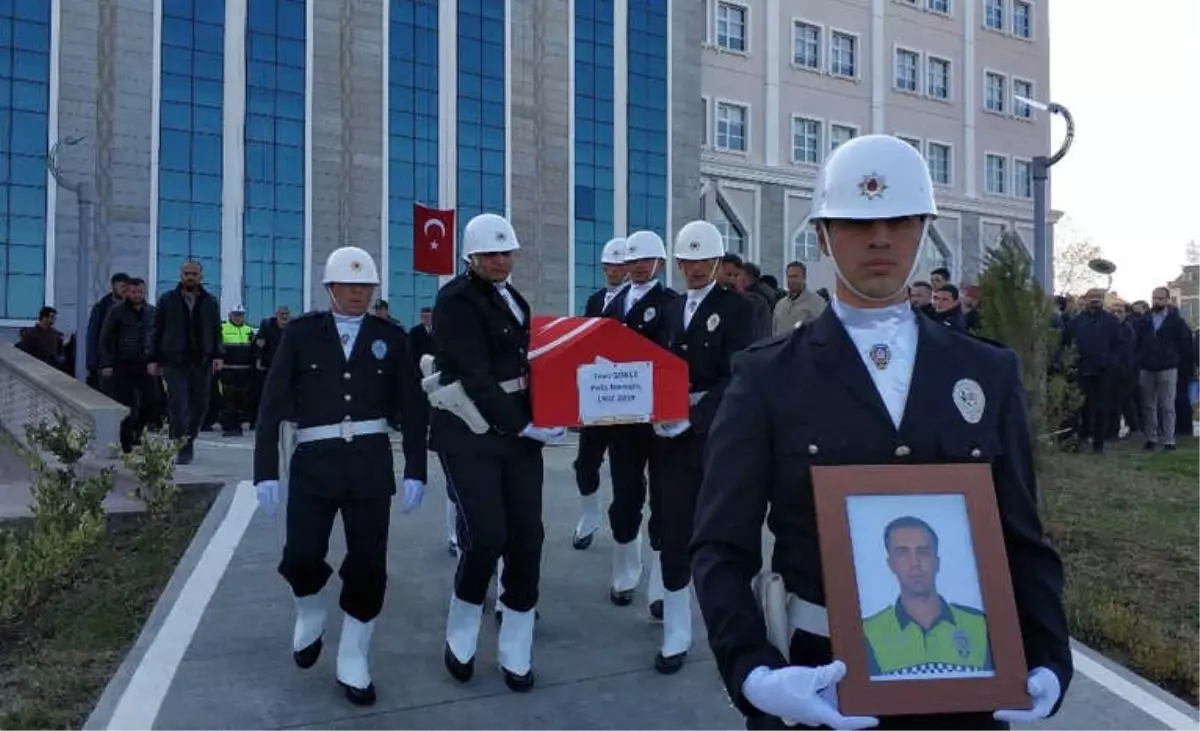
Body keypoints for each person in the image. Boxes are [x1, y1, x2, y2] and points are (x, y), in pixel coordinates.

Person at [690, 134, 1072, 731]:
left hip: (968, 678)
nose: (879, 238)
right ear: (820, 235)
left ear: (924, 230)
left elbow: (1021, 533)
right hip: (819, 679)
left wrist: (1049, 656)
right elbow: (720, 546)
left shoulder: (984, 371)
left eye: (899, 220)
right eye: (854, 222)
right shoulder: (766, 377)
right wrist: (755, 671)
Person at [253, 246, 429, 707]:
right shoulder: (302, 334)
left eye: (365, 286)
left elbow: (411, 406)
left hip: (370, 464)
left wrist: (416, 468)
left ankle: (354, 655)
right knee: (301, 556)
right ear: (330, 288)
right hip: (313, 462)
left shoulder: (391, 336)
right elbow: (271, 403)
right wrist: (265, 472)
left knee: (369, 564)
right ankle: (310, 609)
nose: (357, 294)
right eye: (349, 286)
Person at [428, 213, 565, 693]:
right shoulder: (455, 301)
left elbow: (531, 367)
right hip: (471, 433)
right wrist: (525, 424)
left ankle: (516, 650)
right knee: (485, 537)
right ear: (471, 257)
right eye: (491, 253)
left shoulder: (515, 299)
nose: (501, 260)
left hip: (517, 434)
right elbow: (475, 376)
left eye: (507, 252)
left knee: (528, 539)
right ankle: (462, 633)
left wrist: (554, 410)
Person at [650, 220, 752, 673]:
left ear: (717, 262)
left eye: (702, 261)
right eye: (687, 261)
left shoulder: (736, 309)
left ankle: (731, 625)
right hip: (669, 437)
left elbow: (737, 374)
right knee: (672, 528)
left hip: (715, 436)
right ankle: (676, 630)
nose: (694, 268)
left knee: (719, 533)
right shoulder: (671, 310)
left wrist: (694, 417)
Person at [600, 231, 679, 612]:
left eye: (646, 261)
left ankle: (661, 585)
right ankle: (625, 572)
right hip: (621, 420)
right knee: (626, 496)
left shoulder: (671, 304)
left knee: (664, 501)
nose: (638, 267)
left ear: (660, 264)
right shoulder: (610, 306)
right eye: (632, 261)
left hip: (661, 420)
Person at [863, 517, 991, 678]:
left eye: (923, 552)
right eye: (903, 553)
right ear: (891, 564)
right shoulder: (868, 633)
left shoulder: (980, 625)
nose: (914, 562)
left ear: (937, 562)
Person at [572, 237, 628, 550]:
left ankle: (624, 526)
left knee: (624, 468)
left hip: (623, 394)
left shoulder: (634, 300)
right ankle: (589, 514)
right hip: (596, 392)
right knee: (585, 463)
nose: (612, 271)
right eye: (608, 265)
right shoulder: (595, 301)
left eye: (618, 265)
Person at [155, 261, 224, 464]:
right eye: (186, 273)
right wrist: (153, 358)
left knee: (200, 405)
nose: (190, 277)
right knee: (178, 403)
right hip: (174, 360)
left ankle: (188, 438)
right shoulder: (167, 300)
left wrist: (218, 355)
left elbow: (216, 330)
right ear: (181, 275)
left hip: (201, 360)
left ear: (200, 276)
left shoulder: (210, 301)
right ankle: (182, 444)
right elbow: (157, 330)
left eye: (194, 274)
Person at [98, 279, 158, 453]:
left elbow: (157, 337)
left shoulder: (152, 312)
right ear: (127, 293)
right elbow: (105, 338)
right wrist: (106, 363)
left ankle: (137, 431)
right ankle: (125, 443)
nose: (137, 295)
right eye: (133, 292)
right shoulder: (116, 312)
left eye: (140, 292)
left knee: (153, 401)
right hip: (122, 364)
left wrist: (156, 360)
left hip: (145, 363)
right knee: (127, 405)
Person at [218, 306, 255, 437]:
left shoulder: (249, 330)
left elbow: (253, 349)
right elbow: (217, 347)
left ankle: (238, 426)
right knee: (228, 399)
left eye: (240, 315)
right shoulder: (222, 328)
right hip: (228, 370)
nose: (238, 317)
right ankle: (228, 427)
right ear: (230, 315)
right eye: (236, 314)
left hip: (244, 371)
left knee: (242, 400)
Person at [772, 261, 826, 335]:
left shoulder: (817, 303)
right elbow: (774, 331)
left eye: (795, 276)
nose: (792, 280)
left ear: (804, 278)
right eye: (789, 276)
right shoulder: (780, 305)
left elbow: (823, 331)